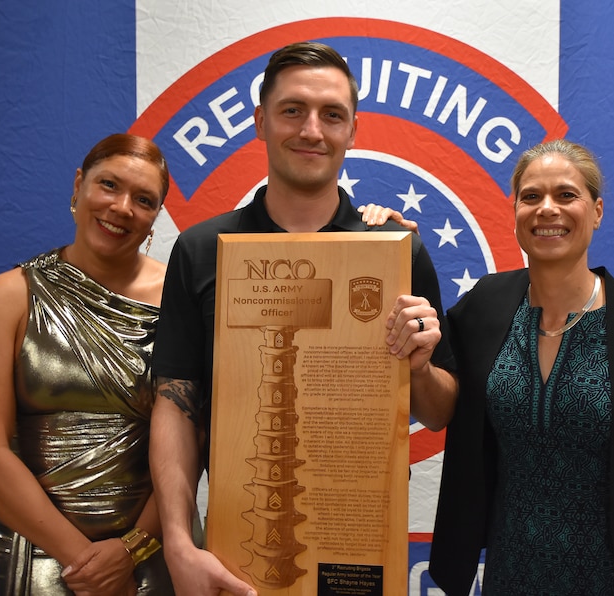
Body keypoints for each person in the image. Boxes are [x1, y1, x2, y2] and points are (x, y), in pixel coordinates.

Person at [149, 41, 456, 595]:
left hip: (358, 552)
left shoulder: (394, 253)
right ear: (260, 121)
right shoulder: (201, 250)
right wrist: (176, 540)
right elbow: (176, 400)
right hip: (241, 550)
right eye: (293, 110)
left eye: (332, 115)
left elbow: (438, 413)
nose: (312, 130)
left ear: (353, 131)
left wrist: (418, 365)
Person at [386, 139, 614, 595]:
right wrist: (383, 242)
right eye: (531, 197)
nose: (547, 209)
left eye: (566, 195)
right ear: (515, 213)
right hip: (510, 579)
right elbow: (438, 407)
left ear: (597, 211)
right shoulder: (482, 310)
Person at [0, 133, 175, 595]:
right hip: (40, 562)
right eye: (109, 185)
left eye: (143, 199)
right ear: (79, 185)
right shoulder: (8, 296)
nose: (122, 207)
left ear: (155, 216)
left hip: (151, 560)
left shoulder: (180, 300)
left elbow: (192, 440)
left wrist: (131, 551)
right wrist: (87, 564)